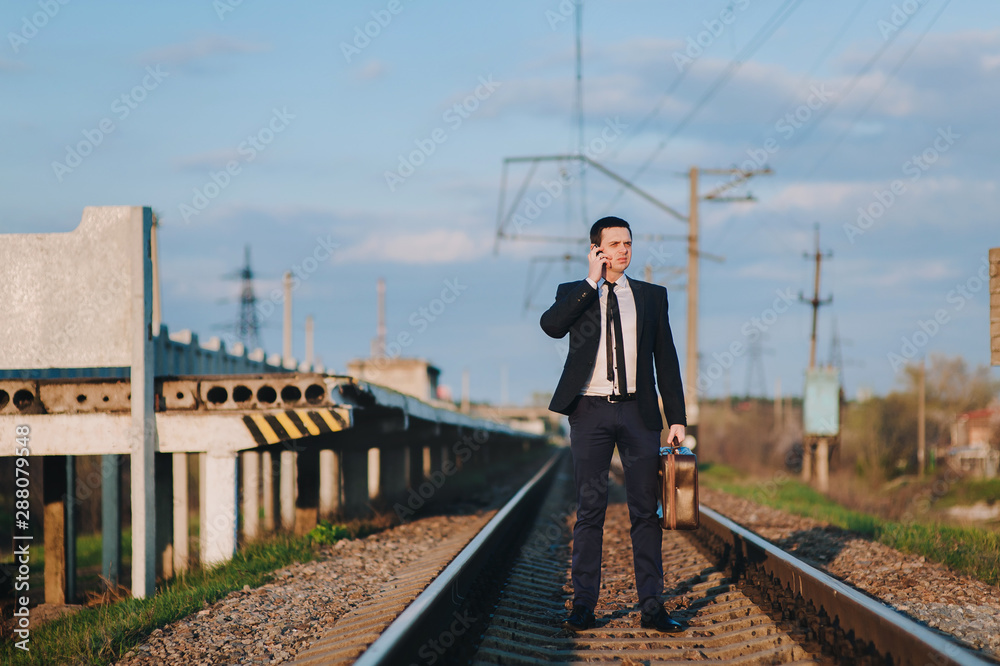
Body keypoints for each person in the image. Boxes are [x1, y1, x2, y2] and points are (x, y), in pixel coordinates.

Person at [540, 215, 687, 632]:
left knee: (645, 511)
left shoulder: (652, 297)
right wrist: (590, 283)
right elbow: (551, 327)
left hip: (639, 414)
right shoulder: (574, 293)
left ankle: (653, 607)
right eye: (615, 244)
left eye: (628, 243)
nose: (623, 250)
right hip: (589, 412)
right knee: (591, 510)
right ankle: (583, 606)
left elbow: (667, 361)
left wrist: (676, 418)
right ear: (597, 250)